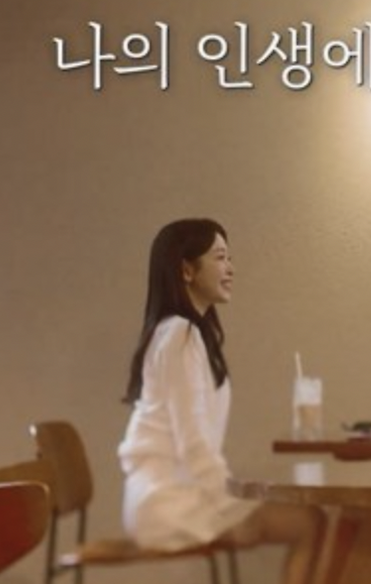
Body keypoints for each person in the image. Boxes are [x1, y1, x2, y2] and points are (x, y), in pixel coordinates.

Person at [118, 218, 323, 584]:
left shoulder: (181, 333)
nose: (231, 268)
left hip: (165, 497)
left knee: (310, 519)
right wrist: (228, 497)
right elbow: (192, 441)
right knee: (309, 522)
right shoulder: (180, 334)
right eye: (220, 257)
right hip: (169, 505)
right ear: (187, 270)